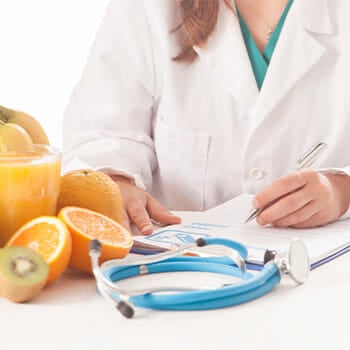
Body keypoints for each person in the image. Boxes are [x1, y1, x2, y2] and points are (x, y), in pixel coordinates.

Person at [63, 0, 350, 235]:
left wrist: (342, 193)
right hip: (181, 270)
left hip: (325, 283)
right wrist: (115, 183)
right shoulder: (147, 8)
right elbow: (103, 130)